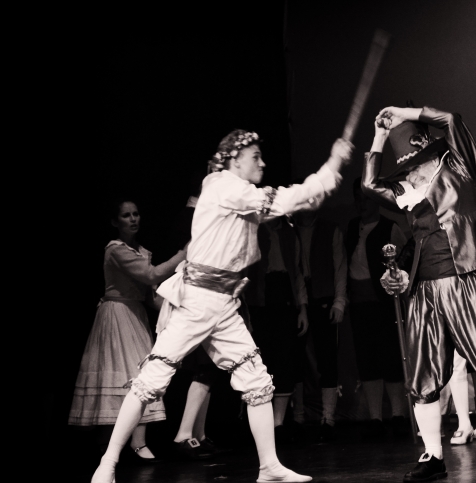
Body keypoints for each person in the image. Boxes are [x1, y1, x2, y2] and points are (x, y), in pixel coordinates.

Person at [90, 130, 352, 483]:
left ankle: (269, 467)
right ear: (234, 160)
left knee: (256, 380)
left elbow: (286, 203)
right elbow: (280, 200)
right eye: (255, 156)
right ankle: (107, 465)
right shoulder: (223, 186)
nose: (262, 163)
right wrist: (330, 166)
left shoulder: (238, 195)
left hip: (224, 303)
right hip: (198, 300)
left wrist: (320, 183)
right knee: (152, 379)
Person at [364, 106, 476, 481]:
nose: (409, 169)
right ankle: (433, 456)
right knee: (423, 374)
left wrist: (403, 112)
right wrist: (380, 137)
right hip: (425, 290)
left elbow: (451, 119)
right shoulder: (405, 189)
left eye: (412, 161)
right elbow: (369, 185)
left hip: (468, 281)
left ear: (426, 149)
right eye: (404, 165)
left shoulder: (459, 166)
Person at [70, 200, 186, 462]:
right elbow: (150, 275)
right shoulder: (115, 249)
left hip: (136, 314)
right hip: (116, 314)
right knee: (120, 373)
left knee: (143, 373)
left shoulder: (142, 251)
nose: (133, 219)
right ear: (115, 222)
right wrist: (183, 254)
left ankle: (136, 442)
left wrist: (179, 308)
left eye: (135, 214)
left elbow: (150, 294)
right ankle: (107, 442)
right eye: (126, 215)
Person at [346, 178, 412, 439]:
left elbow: (404, 262)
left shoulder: (390, 227)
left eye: (366, 199)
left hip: (384, 304)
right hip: (359, 305)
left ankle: (397, 414)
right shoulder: (352, 228)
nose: (361, 204)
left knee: (391, 358)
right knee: (368, 361)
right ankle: (375, 417)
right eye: (357, 199)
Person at [170, 173, 225, 459]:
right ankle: (184, 435)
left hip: (204, 294)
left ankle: (197, 434)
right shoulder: (192, 217)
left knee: (209, 367)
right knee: (204, 366)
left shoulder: (196, 215)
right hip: (197, 297)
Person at [245, 218, 309, 444]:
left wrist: (302, 308)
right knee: (262, 361)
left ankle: (278, 423)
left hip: (284, 297)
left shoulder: (290, 233)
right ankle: (259, 423)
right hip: (260, 301)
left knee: (285, 360)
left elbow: (297, 272)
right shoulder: (253, 230)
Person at [292, 206, 347, 441]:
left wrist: (339, 301)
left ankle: (328, 417)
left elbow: (340, 266)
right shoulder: (290, 230)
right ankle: (297, 417)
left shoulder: (329, 229)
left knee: (327, 359)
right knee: (295, 360)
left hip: (324, 297)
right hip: (296, 300)